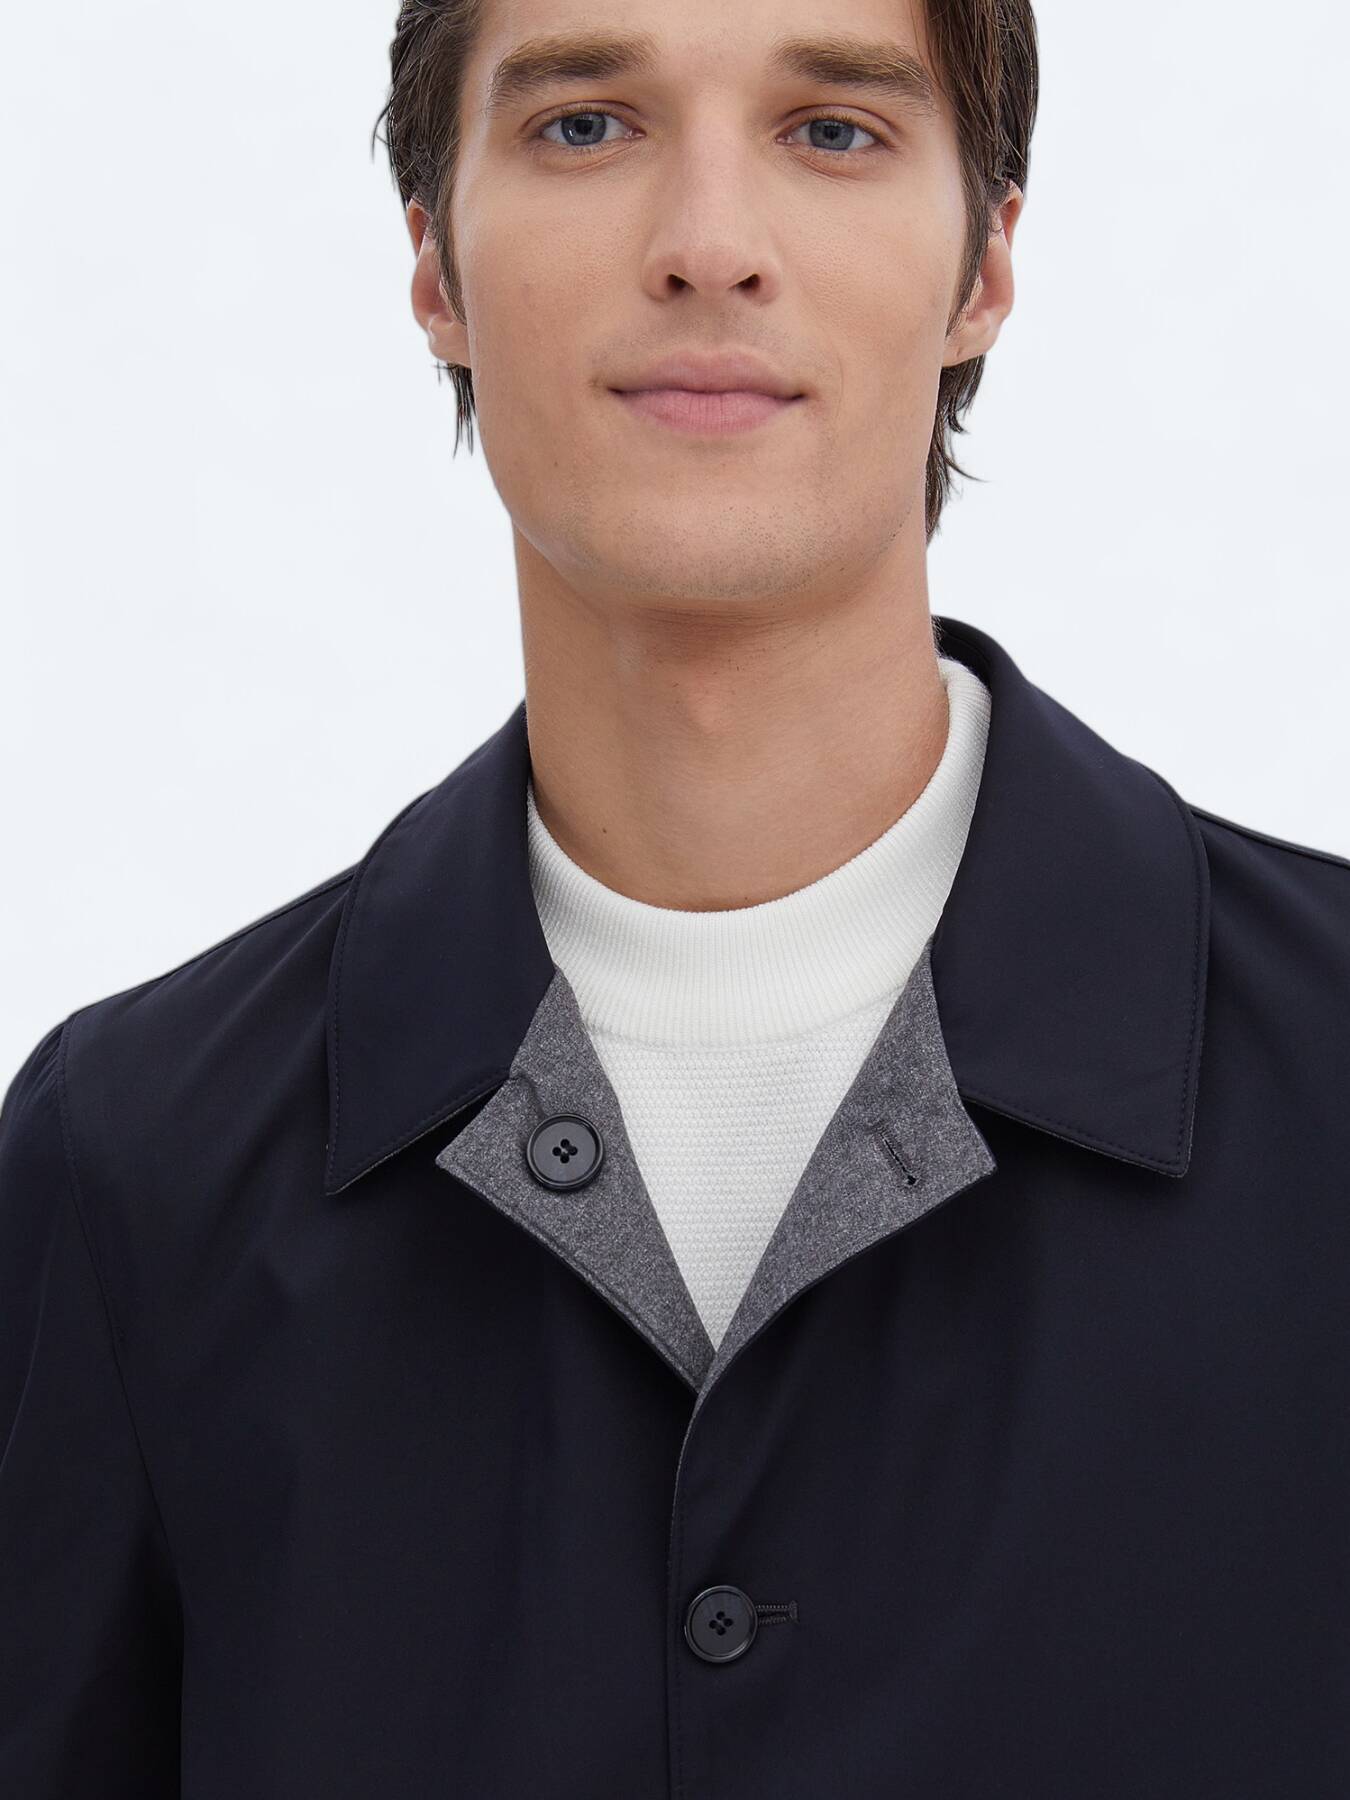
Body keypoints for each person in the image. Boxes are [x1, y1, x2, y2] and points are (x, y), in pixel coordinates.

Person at [3, 1, 1347, 1794]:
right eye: (583, 125)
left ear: (982, 267)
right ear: (435, 267)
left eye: (833, 130)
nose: (709, 246)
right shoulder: (128, 1168)